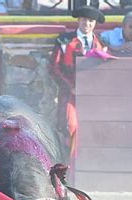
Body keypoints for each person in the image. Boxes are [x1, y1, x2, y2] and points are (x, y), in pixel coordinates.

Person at [50, 6, 106, 155]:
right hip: (70, 93)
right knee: (69, 125)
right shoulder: (64, 40)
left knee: (92, 128)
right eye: (83, 20)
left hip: (92, 94)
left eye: (90, 21)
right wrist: (70, 87)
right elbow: (54, 68)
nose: (86, 24)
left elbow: (105, 71)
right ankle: (68, 163)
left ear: (95, 23)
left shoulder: (101, 43)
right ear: (78, 20)